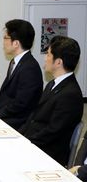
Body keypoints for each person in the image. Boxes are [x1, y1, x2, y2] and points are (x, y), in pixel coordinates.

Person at [19, 36, 83, 166]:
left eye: (48, 54)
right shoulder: (52, 84)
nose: (45, 58)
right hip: (34, 142)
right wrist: (19, 135)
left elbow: (52, 132)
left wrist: (25, 143)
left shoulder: (70, 94)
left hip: (48, 154)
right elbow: (34, 116)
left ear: (58, 62)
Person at [0, 19, 43, 130]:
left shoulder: (30, 68)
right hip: (7, 115)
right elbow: (5, 93)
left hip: (18, 122)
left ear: (16, 43)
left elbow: (21, 104)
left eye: (5, 38)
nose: (3, 42)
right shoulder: (15, 62)